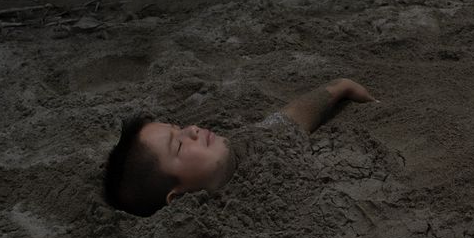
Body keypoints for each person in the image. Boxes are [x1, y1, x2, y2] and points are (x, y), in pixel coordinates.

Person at [103, 78, 378, 217]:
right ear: (178, 200)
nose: (193, 129)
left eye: (180, 127)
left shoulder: (251, 147)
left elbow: (286, 121)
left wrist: (340, 87)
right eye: (178, 144)